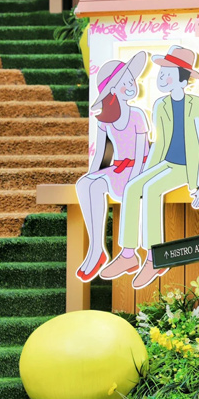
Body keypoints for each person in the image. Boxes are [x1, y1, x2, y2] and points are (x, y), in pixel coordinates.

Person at [101, 46, 199, 290]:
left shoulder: (198, 105)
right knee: (134, 188)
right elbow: (160, 144)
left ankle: (156, 258)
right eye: (161, 72)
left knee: (153, 190)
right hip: (166, 163)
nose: (161, 77)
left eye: (167, 72)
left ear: (181, 77)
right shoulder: (160, 105)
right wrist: (145, 172)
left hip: (188, 167)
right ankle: (128, 254)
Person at [76, 51, 149, 282]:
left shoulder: (137, 115)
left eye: (131, 80)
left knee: (95, 185)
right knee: (84, 184)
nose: (132, 85)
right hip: (117, 169)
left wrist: (135, 181)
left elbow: (141, 155)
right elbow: (101, 154)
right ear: (113, 90)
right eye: (125, 82)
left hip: (138, 169)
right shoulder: (104, 120)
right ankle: (96, 249)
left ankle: (106, 252)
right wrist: (91, 176)